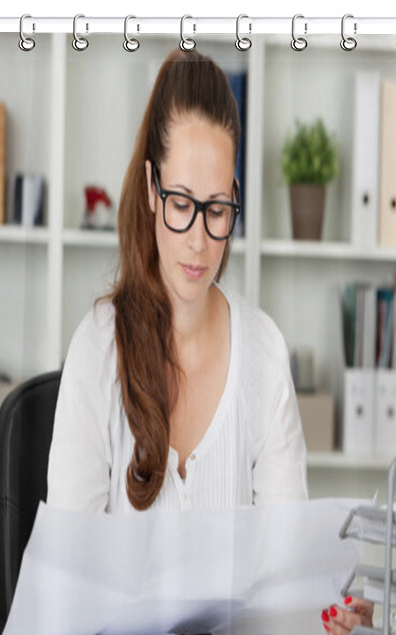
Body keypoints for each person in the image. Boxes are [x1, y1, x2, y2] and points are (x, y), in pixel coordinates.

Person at [46, 48, 307, 514]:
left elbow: (287, 568)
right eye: (182, 205)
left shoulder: (263, 352)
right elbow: (70, 571)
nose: (199, 241)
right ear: (151, 187)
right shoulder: (98, 350)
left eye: (218, 210)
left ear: (234, 199)